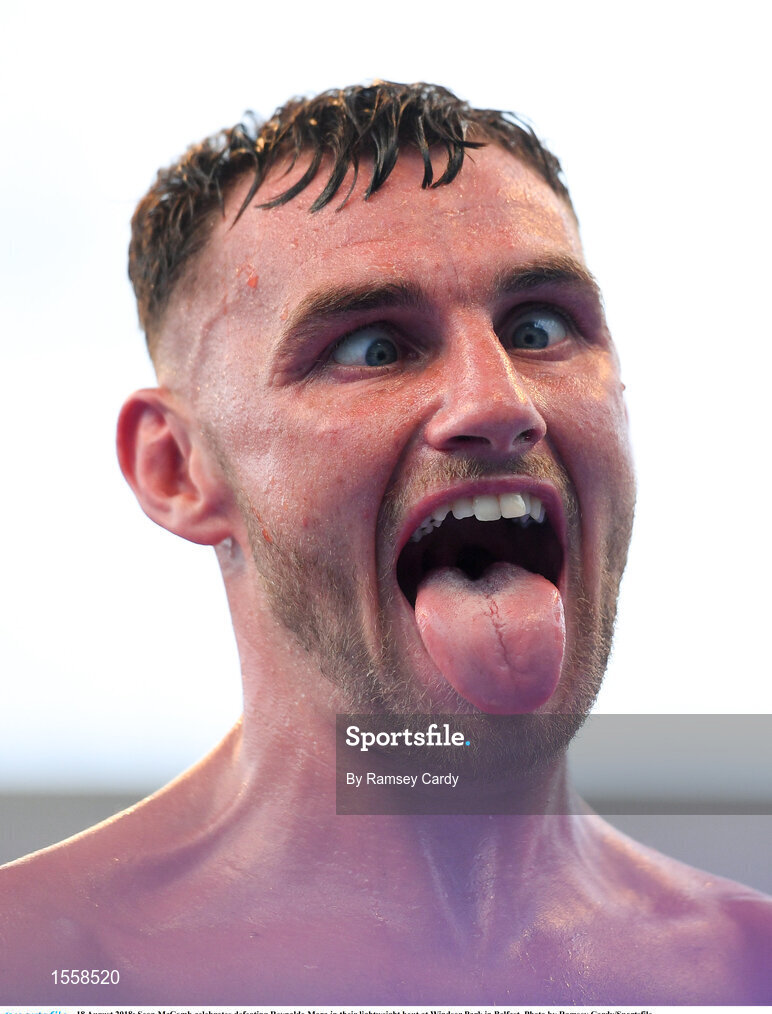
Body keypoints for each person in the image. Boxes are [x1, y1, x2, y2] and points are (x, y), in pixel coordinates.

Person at [1, 81, 769, 1005]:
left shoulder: (744, 968)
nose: (499, 403)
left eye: (539, 328)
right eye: (374, 346)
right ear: (176, 467)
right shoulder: (39, 963)